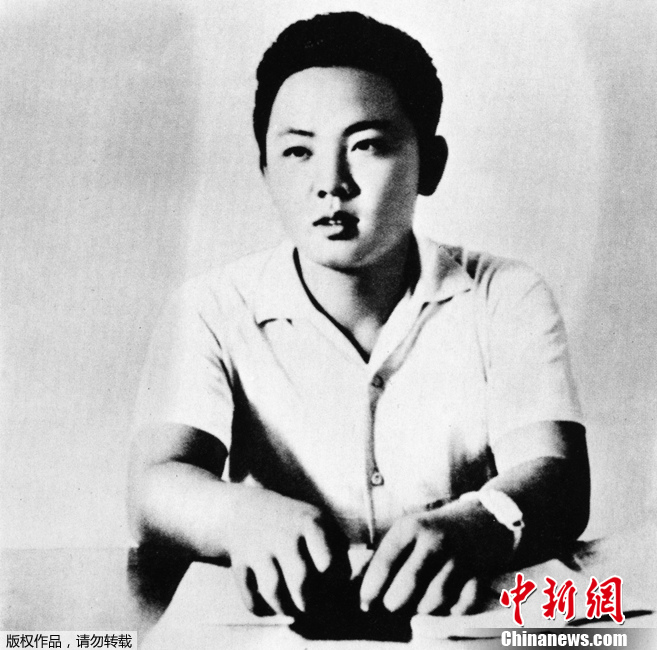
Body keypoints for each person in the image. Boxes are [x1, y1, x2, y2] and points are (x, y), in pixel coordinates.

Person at [128, 11, 590, 620]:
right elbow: (156, 484)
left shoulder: (504, 294)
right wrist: (239, 516)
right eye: (298, 151)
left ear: (431, 164)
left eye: (367, 145)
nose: (331, 184)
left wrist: (478, 523)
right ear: (265, 168)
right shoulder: (212, 307)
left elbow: (557, 477)